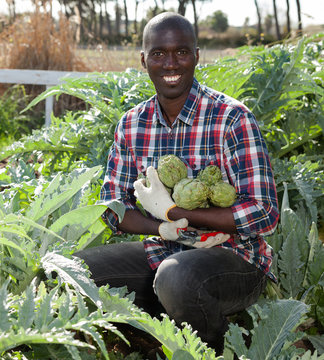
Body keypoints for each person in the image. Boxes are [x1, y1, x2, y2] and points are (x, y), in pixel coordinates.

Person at [74, 12, 279, 354]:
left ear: (197, 56)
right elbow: (113, 207)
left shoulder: (232, 119)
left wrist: (174, 212)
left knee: (177, 278)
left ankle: (207, 347)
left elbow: (265, 214)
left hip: (234, 259)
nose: (171, 63)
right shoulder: (132, 125)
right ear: (144, 60)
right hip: (161, 251)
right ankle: (154, 331)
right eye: (159, 53)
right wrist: (163, 229)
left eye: (181, 52)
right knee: (72, 272)